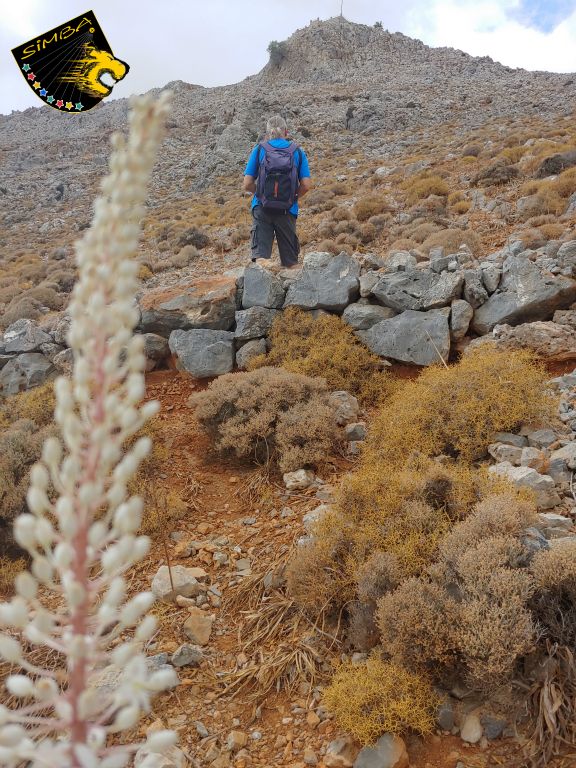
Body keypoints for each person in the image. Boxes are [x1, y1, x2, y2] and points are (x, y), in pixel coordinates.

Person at [243, 115, 311, 269]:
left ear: (268, 134)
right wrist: (292, 197)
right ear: (286, 132)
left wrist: (261, 194)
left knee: (260, 261)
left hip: (262, 208)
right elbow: (306, 185)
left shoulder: (260, 149)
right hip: (287, 210)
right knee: (292, 264)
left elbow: (247, 184)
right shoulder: (297, 152)